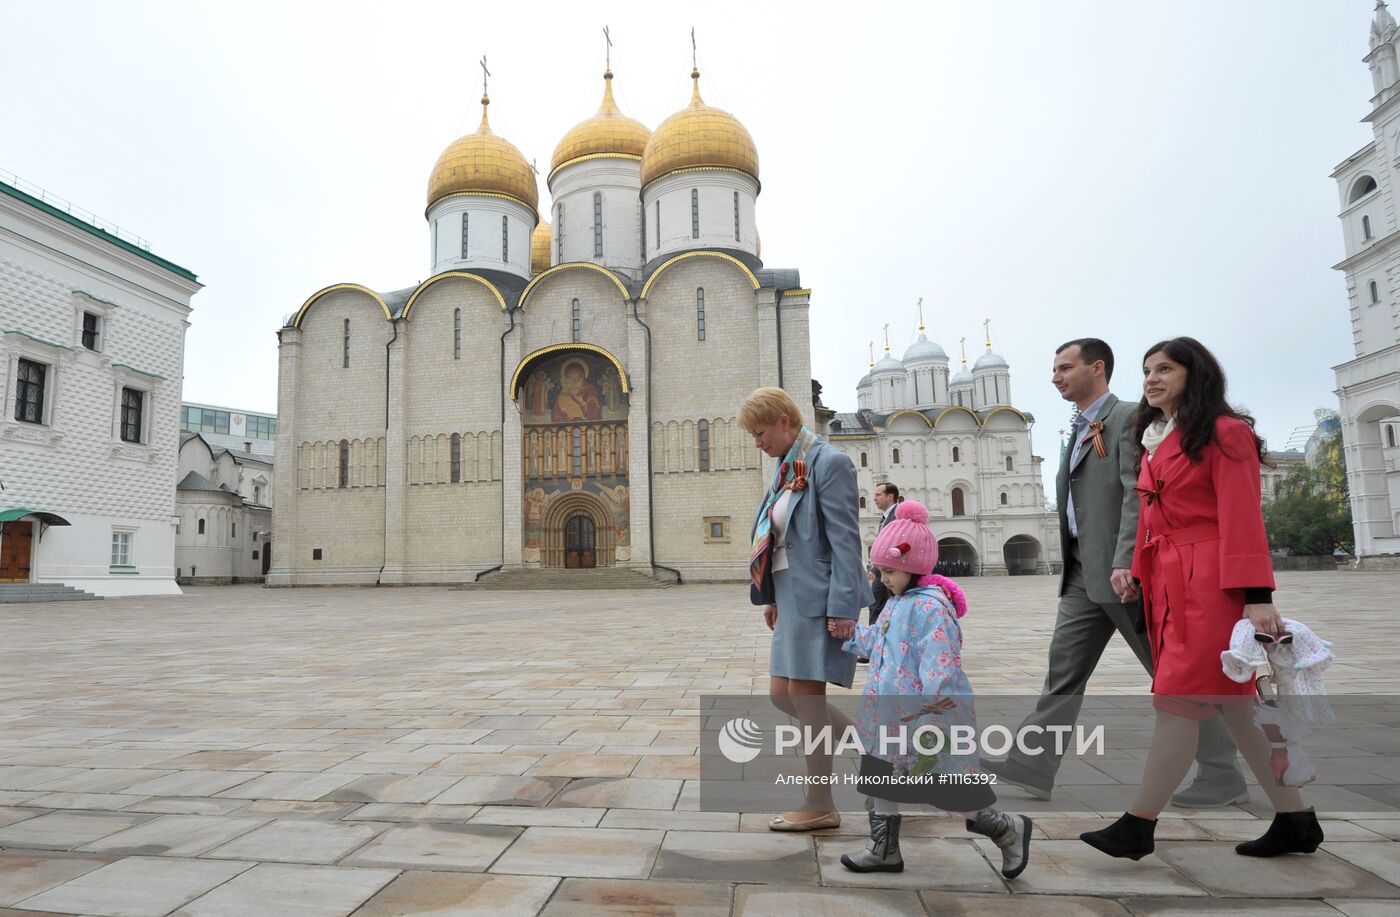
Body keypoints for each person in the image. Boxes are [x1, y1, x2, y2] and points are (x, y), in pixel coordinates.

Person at [1081, 337, 1322, 860]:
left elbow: (1242, 519)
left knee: (1175, 702)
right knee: (1236, 707)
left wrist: (1257, 597)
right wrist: (1135, 570)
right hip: (1170, 583)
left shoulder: (1225, 434)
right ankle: (1297, 819)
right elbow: (1152, 517)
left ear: (1197, 375)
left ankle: (1137, 825)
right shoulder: (1156, 439)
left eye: (1165, 368)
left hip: (1211, 585)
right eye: (1147, 370)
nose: (1151, 378)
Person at [985, 339, 1245, 806]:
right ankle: (1031, 763)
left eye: (1065, 367)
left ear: (1097, 368)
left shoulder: (1129, 416)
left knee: (1172, 674)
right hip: (1084, 573)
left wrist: (1127, 559)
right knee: (1062, 670)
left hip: (1125, 574)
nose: (1055, 376)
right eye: (1054, 368)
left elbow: (1136, 492)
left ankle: (1221, 772)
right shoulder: (1080, 426)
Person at [832, 500, 1032, 879]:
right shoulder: (896, 603)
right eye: (879, 572)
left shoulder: (931, 608)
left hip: (923, 719)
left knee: (946, 785)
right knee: (880, 778)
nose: (882, 579)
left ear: (912, 566)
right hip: (887, 716)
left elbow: (940, 664)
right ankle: (883, 849)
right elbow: (877, 642)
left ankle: (1006, 829)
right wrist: (849, 635)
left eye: (889, 571)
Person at [743, 386, 871, 832]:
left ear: (783, 420)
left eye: (760, 433)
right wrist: (773, 597)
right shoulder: (786, 466)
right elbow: (778, 536)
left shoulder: (828, 463)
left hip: (818, 597)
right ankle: (878, 754)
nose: (757, 442)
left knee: (806, 699)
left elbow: (844, 540)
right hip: (790, 595)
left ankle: (820, 803)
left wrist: (844, 606)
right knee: (783, 696)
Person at [866, 482, 901, 625]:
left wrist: (875, 568)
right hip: (883, 569)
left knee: (877, 602)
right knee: (878, 603)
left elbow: (891, 543)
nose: (875, 498)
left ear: (890, 496)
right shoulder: (886, 517)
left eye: (878, 495)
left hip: (890, 570)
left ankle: (876, 635)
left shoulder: (897, 515)